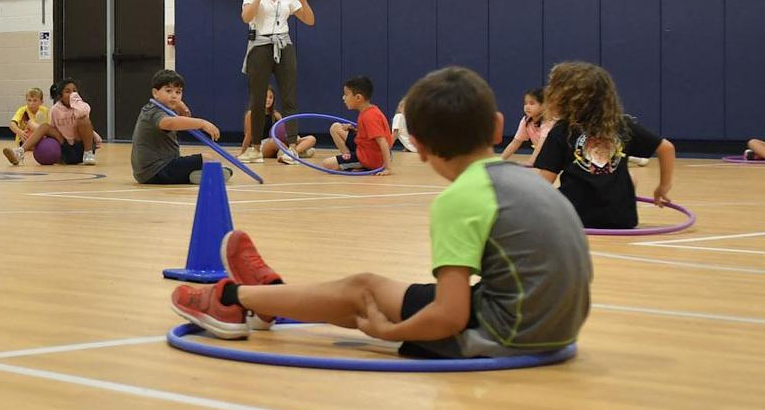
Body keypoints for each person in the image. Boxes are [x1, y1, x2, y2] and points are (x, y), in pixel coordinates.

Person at [171, 67, 592, 360]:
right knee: (371, 292)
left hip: (508, 334)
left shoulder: (462, 198)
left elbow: (449, 316)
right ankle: (270, 299)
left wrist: (389, 334)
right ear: (498, 127)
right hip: (555, 327)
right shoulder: (534, 183)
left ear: (420, 147)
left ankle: (229, 298)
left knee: (364, 294)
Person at [533, 62, 675, 230]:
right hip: (622, 218)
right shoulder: (623, 125)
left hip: (576, 217)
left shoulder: (562, 131)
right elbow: (667, 148)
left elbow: (543, 185)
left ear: (564, 97)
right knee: (629, 178)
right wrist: (663, 187)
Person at [238, 0, 315, 163]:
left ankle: (291, 147)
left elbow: (309, 20)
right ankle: (255, 148)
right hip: (260, 46)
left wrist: (303, 1)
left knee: (289, 97)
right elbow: (246, 17)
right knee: (258, 98)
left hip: (284, 45)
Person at [132, 70, 233, 184]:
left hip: (153, 171)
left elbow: (172, 101)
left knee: (210, 163)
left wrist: (180, 105)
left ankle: (194, 175)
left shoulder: (154, 108)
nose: (174, 96)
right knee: (207, 158)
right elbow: (169, 123)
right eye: (168, 91)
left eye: (178, 92)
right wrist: (202, 123)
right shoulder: (154, 112)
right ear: (155, 93)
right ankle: (201, 176)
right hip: (157, 170)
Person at [4, 79, 102, 165]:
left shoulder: (81, 106)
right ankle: (19, 152)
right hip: (65, 148)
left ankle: (88, 154)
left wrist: (77, 102)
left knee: (83, 119)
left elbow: (85, 116)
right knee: (45, 126)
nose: (72, 94)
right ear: (60, 96)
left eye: (74, 91)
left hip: (80, 147)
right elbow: (52, 131)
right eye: (68, 91)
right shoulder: (55, 109)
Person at [323, 75, 391, 175]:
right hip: (365, 149)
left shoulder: (370, 116)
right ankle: (350, 159)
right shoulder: (368, 111)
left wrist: (387, 168)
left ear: (358, 97)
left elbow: (383, 142)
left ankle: (358, 166)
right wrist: (356, 129)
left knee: (327, 164)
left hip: (370, 159)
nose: (343, 98)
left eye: (346, 95)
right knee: (336, 127)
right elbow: (369, 137)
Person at [499, 88, 552, 163]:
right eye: (525, 103)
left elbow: (541, 146)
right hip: (544, 158)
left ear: (543, 105)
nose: (527, 106)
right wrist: (500, 160)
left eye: (532, 103)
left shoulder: (548, 122)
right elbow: (515, 143)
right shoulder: (526, 121)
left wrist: (530, 162)